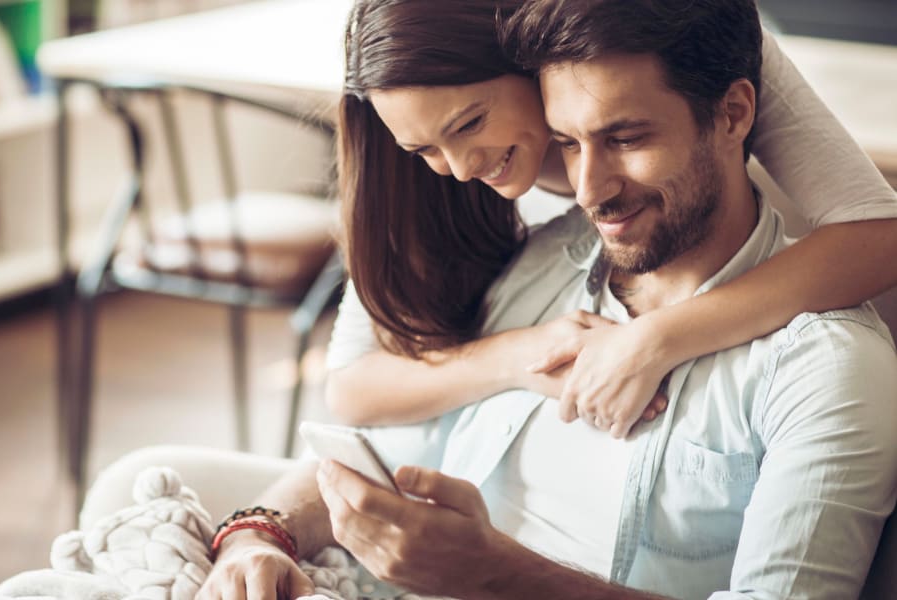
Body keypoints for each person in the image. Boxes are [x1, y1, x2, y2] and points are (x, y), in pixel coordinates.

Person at [178, 0, 897, 597]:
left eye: (624, 137)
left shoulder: (819, 369)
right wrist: (257, 532)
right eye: (567, 143)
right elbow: (369, 422)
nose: (587, 192)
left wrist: (660, 337)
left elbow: (881, 233)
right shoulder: (546, 257)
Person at [327, 0, 897, 438]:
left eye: (471, 123)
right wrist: (520, 357)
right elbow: (352, 386)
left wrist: (657, 339)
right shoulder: (414, 128)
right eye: (423, 149)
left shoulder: (663, 31)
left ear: (529, 50)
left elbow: (880, 234)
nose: (458, 168)